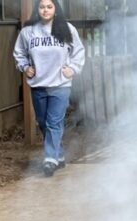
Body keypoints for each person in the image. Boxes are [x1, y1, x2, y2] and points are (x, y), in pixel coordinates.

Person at [13, 0, 85, 177]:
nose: (45, 10)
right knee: (44, 123)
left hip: (60, 84)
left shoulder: (67, 29)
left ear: (55, 10)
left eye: (49, 7)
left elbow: (79, 52)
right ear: (38, 10)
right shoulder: (28, 31)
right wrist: (24, 67)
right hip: (38, 85)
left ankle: (50, 159)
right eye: (42, 7)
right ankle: (58, 156)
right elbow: (19, 53)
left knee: (54, 122)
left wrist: (73, 69)